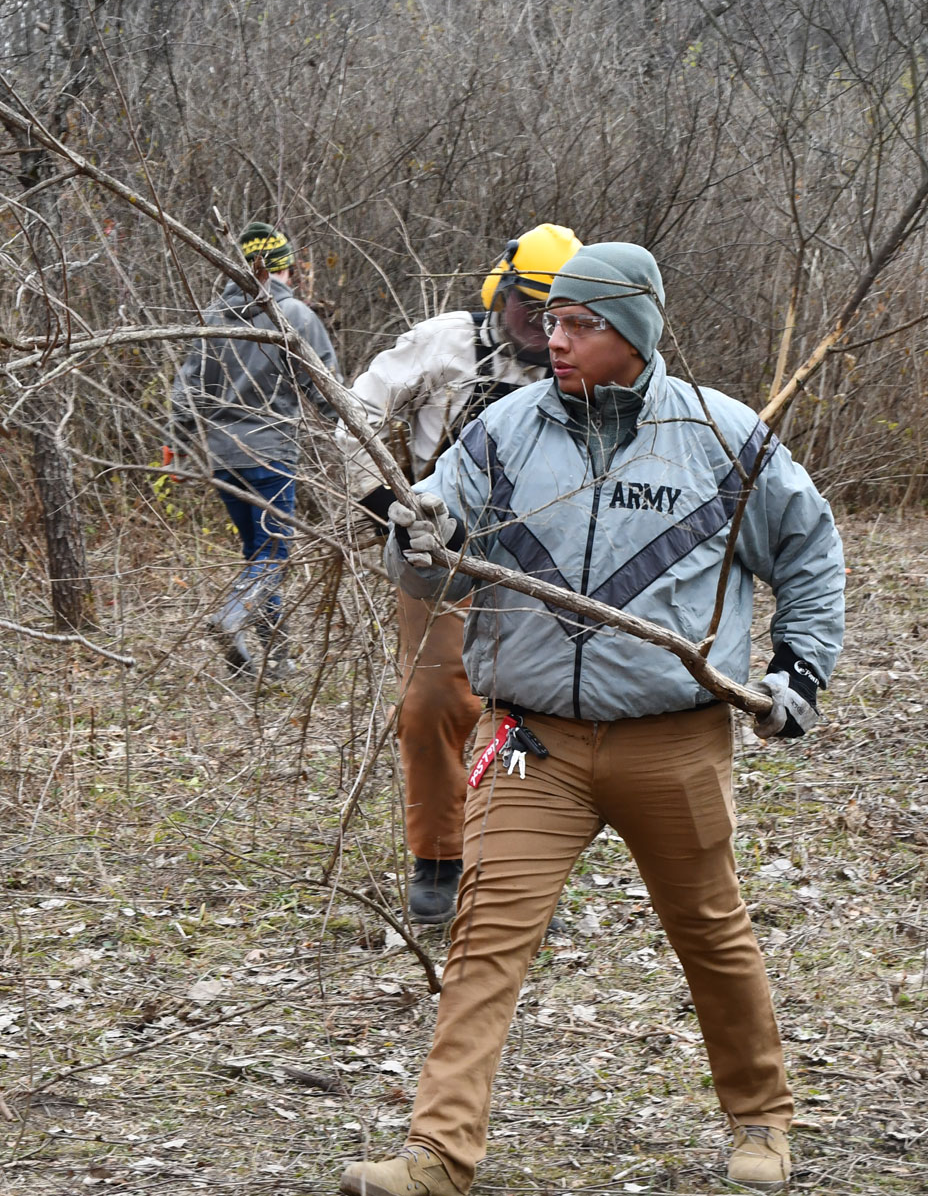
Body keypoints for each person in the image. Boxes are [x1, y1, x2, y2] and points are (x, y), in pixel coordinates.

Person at [341, 242, 845, 1195]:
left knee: (711, 928)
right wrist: (419, 538)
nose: (555, 339)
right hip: (533, 741)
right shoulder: (501, 434)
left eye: (582, 325)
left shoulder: (721, 435)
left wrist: (798, 675)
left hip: (675, 741)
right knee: (486, 933)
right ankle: (438, 1156)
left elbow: (811, 556)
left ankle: (763, 1125)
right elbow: (433, 562)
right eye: (553, 320)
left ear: (637, 332)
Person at [337, 224, 583, 923]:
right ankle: (439, 859)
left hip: (544, 565)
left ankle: (516, 865)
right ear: (500, 292)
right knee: (433, 704)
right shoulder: (445, 343)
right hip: (439, 554)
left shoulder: (584, 361)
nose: (539, 331)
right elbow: (355, 410)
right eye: (527, 312)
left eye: (556, 317)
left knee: (534, 714)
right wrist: (390, 508)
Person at [169, 223, 339, 675]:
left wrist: (181, 448)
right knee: (273, 555)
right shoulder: (295, 316)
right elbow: (326, 386)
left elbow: (185, 391)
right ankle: (231, 618)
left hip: (223, 459)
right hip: (271, 454)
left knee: (259, 555)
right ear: (281, 268)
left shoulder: (213, 319)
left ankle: (275, 658)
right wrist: (350, 430)